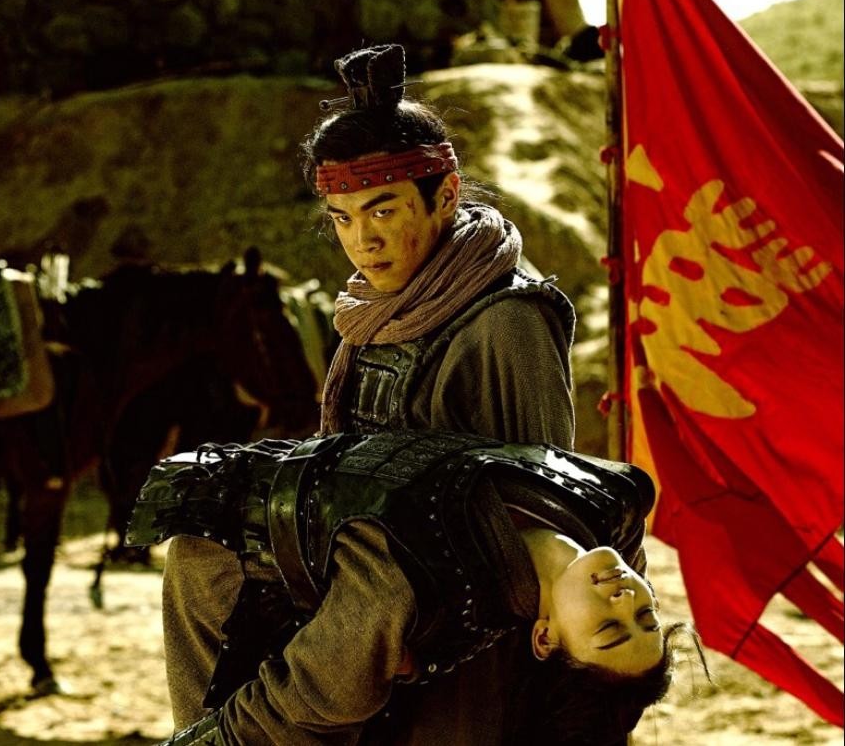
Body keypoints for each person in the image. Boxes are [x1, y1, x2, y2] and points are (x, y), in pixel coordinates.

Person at [153, 42, 627, 744]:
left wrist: (426, 633)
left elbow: (535, 510)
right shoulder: (375, 311)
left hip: (457, 614)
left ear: (446, 195)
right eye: (343, 219)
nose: (362, 242)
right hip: (363, 556)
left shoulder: (506, 322)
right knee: (199, 556)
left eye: (382, 211)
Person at [131, 430, 697, 744]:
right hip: (254, 481)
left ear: (545, 638)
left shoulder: (415, 584)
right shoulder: (615, 504)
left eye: (608, 629)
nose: (625, 600)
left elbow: (300, 703)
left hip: (227, 567)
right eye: (645, 618)